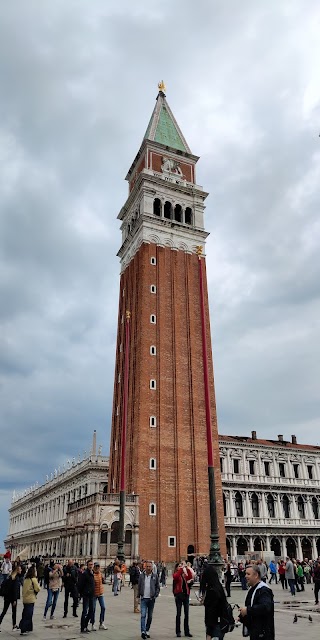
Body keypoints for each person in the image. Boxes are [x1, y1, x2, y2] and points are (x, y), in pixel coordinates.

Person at [239, 565, 274, 640]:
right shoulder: (252, 589)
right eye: (245, 574)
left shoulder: (263, 590)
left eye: (248, 574)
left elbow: (265, 607)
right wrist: (241, 616)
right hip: (255, 631)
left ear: (256, 575)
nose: (245, 576)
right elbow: (250, 605)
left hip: (263, 632)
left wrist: (248, 610)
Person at [200, 563, 228, 640]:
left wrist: (209, 633)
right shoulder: (219, 587)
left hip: (214, 626)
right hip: (221, 623)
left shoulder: (212, 591)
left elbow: (211, 614)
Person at [138, 560, 160, 639]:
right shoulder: (141, 576)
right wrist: (138, 597)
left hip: (151, 599)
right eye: (147, 566)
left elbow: (158, 586)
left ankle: (147, 630)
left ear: (152, 567)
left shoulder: (155, 576)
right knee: (143, 615)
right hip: (143, 598)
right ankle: (143, 631)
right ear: (145, 566)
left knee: (150, 616)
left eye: (149, 566)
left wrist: (155, 595)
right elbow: (139, 586)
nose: (148, 568)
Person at [173, 561, 193, 638]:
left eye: (181, 566)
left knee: (186, 614)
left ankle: (187, 631)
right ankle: (178, 631)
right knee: (178, 614)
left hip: (186, 595)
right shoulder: (176, 574)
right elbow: (176, 577)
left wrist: (187, 568)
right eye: (179, 566)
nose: (180, 567)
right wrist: (181, 569)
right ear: (176, 568)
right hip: (179, 595)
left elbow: (190, 577)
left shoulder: (184, 575)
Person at [18, 565, 40, 635]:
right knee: (29, 614)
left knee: (25, 613)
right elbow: (37, 588)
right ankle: (23, 628)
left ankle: (29, 627)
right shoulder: (33, 579)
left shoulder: (26, 579)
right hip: (31, 598)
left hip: (25, 598)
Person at [0, 564, 22, 631]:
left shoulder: (10, 576)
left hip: (7, 597)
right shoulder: (16, 578)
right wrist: (15, 599)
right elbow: (15, 589)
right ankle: (14, 626)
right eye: (20, 569)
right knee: (13, 611)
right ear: (17, 570)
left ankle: (14, 625)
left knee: (4, 611)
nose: (21, 570)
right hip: (12, 597)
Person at [78, 559, 95, 634]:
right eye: (90, 565)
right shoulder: (85, 574)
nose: (91, 566)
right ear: (87, 565)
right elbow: (80, 584)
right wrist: (82, 593)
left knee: (91, 610)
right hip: (86, 595)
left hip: (92, 594)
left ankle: (85, 625)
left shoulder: (92, 573)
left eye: (92, 564)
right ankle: (82, 627)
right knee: (85, 611)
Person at [92, 563, 107, 631]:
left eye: (98, 566)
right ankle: (92, 624)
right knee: (93, 609)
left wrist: (103, 578)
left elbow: (103, 582)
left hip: (101, 593)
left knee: (103, 607)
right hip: (94, 594)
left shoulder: (100, 574)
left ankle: (101, 623)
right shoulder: (92, 574)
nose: (97, 568)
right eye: (96, 567)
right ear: (94, 567)